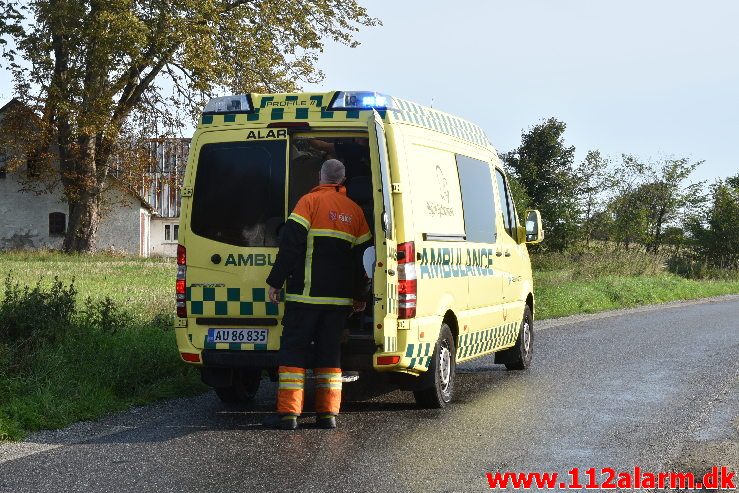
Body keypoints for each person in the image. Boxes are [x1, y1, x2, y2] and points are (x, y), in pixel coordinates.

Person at [263, 159, 372, 430]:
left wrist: (275, 281)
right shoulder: (355, 212)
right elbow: (364, 260)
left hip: (304, 298)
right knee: (329, 357)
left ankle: (289, 415)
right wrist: (360, 295)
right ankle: (328, 415)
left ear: (320, 177)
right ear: (343, 180)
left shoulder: (308, 203)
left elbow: (290, 244)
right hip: (338, 303)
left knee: (293, 354)